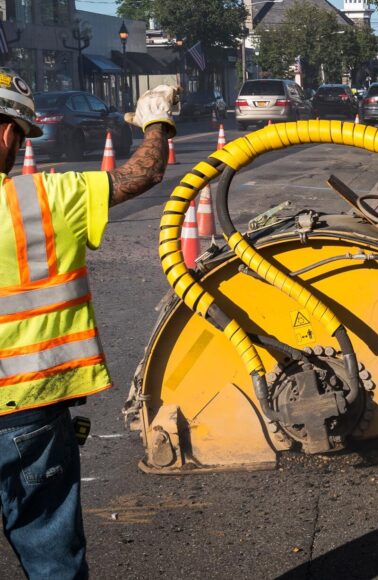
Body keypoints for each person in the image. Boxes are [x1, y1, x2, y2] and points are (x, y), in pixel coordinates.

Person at [0, 69, 177, 579]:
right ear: (10, 134)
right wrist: (156, 123)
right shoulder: (44, 200)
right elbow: (141, 174)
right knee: (50, 556)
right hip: (26, 416)